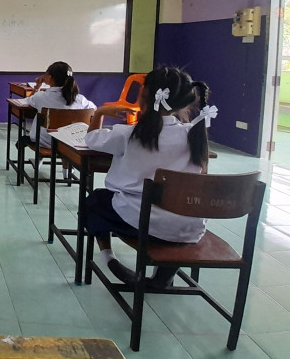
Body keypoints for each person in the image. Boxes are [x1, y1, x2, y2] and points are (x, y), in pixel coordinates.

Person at [83, 67, 214, 288]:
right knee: (171, 216)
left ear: (144, 96)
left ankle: (109, 257)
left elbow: (91, 139)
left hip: (139, 222)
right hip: (188, 228)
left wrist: (100, 113)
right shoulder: (195, 136)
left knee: (94, 202)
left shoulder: (128, 134)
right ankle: (163, 275)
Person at [19, 61, 96, 149]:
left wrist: (37, 86)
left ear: (49, 78)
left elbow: (28, 101)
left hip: (45, 143)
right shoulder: (81, 99)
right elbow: (94, 109)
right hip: (70, 144)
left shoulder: (41, 97)